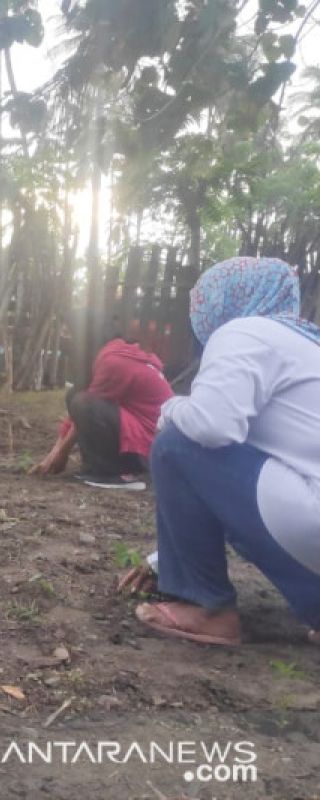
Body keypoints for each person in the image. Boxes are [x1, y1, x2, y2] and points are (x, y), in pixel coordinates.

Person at [118, 257, 320, 647]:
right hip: (306, 517)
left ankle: (207, 609)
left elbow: (212, 427)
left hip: (310, 517)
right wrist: (165, 558)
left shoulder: (243, 331)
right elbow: (239, 483)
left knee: (178, 443)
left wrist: (170, 409)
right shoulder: (305, 342)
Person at [30, 332, 172, 489]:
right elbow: (75, 416)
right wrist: (54, 453)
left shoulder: (112, 363)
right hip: (144, 437)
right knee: (77, 395)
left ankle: (113, 474)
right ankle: (95, 467)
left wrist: (62, 453)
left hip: (149, 450)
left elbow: (86, 410)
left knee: (85, 404)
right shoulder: (117, 354)